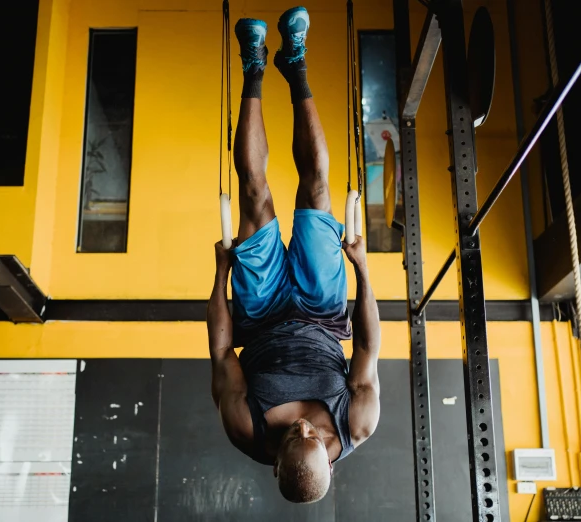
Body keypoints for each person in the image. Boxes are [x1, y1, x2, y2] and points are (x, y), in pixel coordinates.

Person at [207, 6, 381, 504]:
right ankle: (297, 64)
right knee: (318, 189)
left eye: (292, 436)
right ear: (329, 459)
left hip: (259, 315)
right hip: (324, 311)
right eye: (313, 438)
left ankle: (255, 68)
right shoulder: (356, 423)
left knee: (254, 194)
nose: (303, 426)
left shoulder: (246, 427)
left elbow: (221, 352)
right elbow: (368, 348)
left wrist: (221, 275)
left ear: (276, 461)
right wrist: (363, 270)